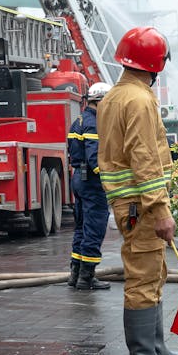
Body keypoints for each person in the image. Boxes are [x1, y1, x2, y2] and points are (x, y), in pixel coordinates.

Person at [97, 26, 178, 355]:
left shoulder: (113, 97)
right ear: (155, 64)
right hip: (142, 205)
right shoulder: (140, 99)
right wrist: (161, 209)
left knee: (152, 272)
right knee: (143, 276)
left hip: (129, 204)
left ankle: (154, 346)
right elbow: (144, 156)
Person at [67, 81, 112, 291]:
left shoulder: (78, 120)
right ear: (100, 102)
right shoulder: (94, 123)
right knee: (94, 228)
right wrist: (108, 181)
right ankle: (87, 278)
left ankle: (75, 274)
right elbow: (95, 159)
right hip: (92, 183)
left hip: (78, 178)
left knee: (81, 227)